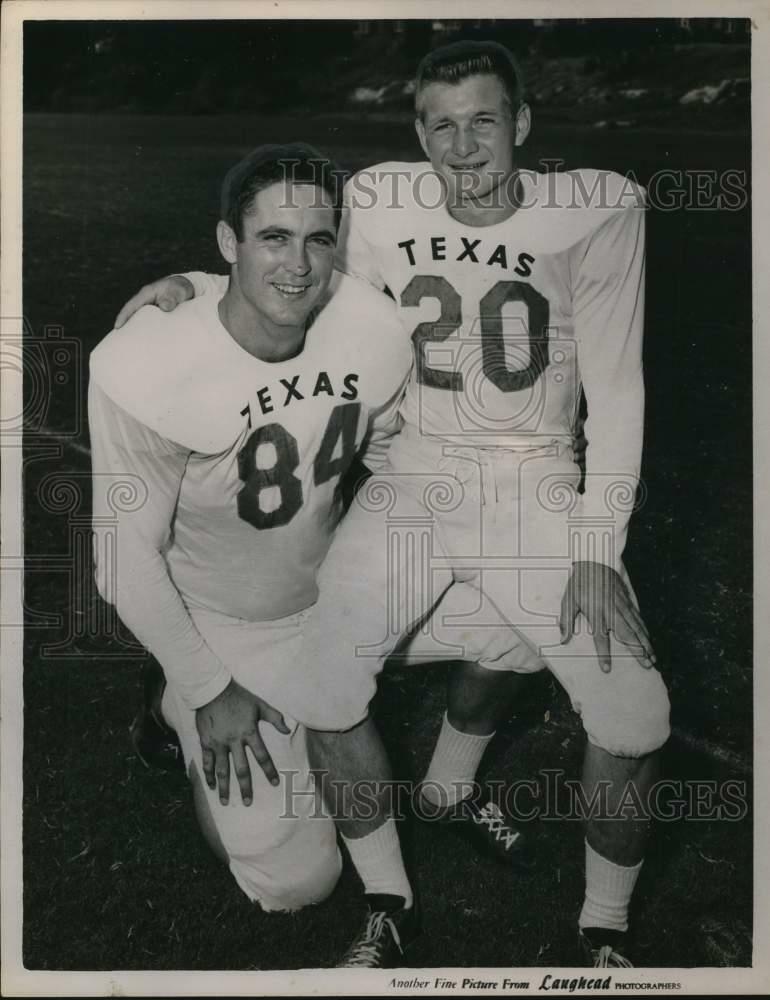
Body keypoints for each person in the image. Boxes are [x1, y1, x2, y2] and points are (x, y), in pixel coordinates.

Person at [114, 40, 671, 968]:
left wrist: (595, 549)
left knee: (634, 713)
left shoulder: (599, 211)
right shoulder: (378, 197)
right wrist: (199, 286)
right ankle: (388, 901)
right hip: (413, 477)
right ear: (418, 132)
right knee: (328, 681)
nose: (464, 149)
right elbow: (298, 272)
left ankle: (602, 928)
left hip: (534, 486)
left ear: (522, 125)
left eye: (485, 122)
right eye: (442, 127)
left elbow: (618, 392)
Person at [90, 143, 420, 944]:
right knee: (298, 884)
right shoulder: (148, 361)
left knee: (513, 627)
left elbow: (389, 457)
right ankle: (172, 710)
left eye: (318, 238)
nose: (300, 263)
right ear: (227, 242)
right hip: (221, 619)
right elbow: (119, 558)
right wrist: (207, 687)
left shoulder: (371, 324)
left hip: (326, 587)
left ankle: (428, 759)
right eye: (273, 237)